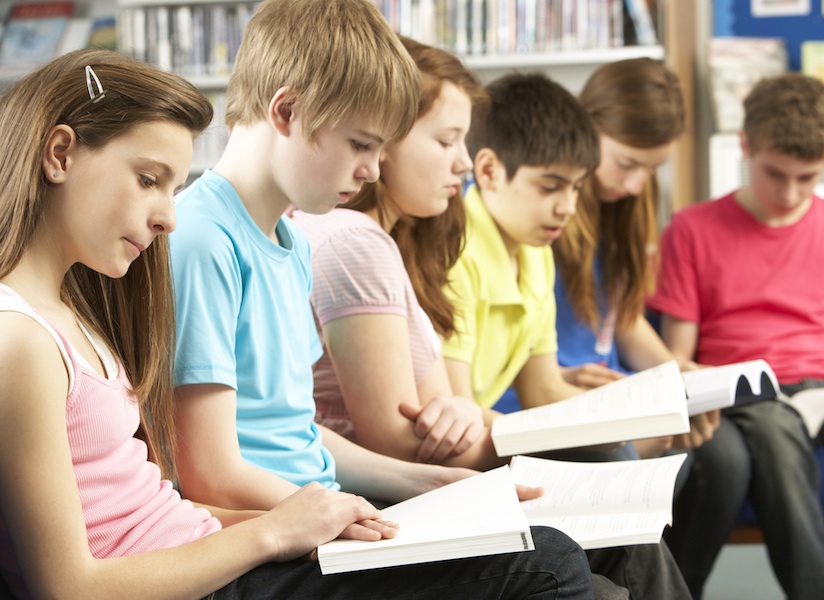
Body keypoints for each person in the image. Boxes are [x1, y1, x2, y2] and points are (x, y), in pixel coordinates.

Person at [0, 47, 588, 600]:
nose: (168, 219)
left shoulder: (76, 313)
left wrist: (306, 523)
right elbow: (69, 586)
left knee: (544, 552)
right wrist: (273, 534)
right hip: (203, 575)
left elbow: (154, 506)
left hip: (214, 550)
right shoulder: (22, 339)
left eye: (174, 188)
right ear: (60, 154)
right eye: (149, 179)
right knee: (544, 564)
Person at [165, 0, 596, 598]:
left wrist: (424, 483)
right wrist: (360, 512)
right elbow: (210, 472)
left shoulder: (290, 242)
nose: (372, 171)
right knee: (547, 563)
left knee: (558, 537)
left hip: (309, 521)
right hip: (253, 547)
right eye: (361, 145)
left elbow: (297, 434)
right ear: (286, 111)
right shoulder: (201, 238)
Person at [441, 70, 692, 600]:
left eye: (576, 188)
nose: (568, 208)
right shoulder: (457, 251)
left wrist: (645, 412)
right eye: (550, 187)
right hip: (454, 458)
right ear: (487, 171)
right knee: (618, 479)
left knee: (625, 481)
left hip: (495, 440)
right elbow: (458, 415)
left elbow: (544, 389)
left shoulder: (533, 252)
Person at [648, 72, 824, 600]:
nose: (790, 193)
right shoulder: (691, 230)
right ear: (745, 146)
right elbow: (677, 358)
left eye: (807, 177)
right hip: (747, 396)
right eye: (774, 174)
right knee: (772, 425)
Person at [553, 58, 748, 598]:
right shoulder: (548, 208)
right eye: (626, 163)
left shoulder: (624, 208)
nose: (636, 183)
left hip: (617, 387)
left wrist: (680, 372)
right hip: (573, 390)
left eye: (651, 169)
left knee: (727, 455)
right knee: (682, 452)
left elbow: (626, 317)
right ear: (585, 128)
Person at [292, 37, 503, 471]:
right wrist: (540, 442)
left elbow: (442, 410)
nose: (464, 162)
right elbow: (403, 442)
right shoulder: (354, 242)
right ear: (385, 143)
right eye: (447, 141)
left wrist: (466, 412)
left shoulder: (362, 234)